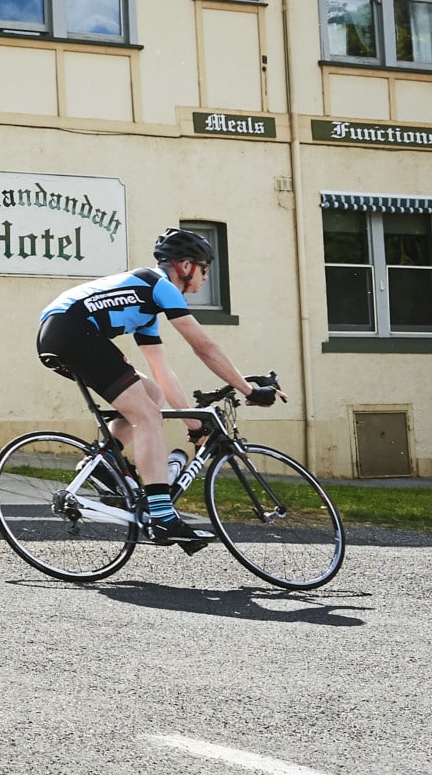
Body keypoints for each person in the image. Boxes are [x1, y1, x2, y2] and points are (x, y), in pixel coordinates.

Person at [35, 227, 276, 549]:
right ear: (187, 266)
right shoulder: (160, 286)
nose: (205, 279)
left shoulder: (145, 306)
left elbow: (163, 373)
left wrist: (194, 426)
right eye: (205, 271)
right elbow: (204, 346)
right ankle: (162, 517)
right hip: (73, 332)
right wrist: (249, 391)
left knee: (152, 396)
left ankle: (103, 462)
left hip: (62, 334)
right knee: (148, 414)